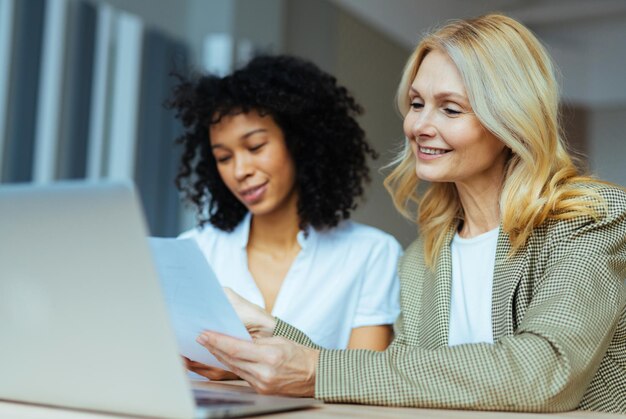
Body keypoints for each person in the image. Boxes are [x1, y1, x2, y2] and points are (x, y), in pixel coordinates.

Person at [193, 14, 626, 412]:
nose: (418, 125)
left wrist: (314, 370)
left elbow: (543, 372)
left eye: (450, 108)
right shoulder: (424, 256)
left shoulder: (592, 220)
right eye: (417, 103)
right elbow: (400, 377)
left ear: (510, 122)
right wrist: (270, 333)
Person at [168, 55, 402, 378]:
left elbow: (362, 380)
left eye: (255, 147)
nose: (240, 171)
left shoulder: (372, 254)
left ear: (299, 142)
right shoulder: (193, 251)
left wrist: (236, 368)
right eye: (223, 157)